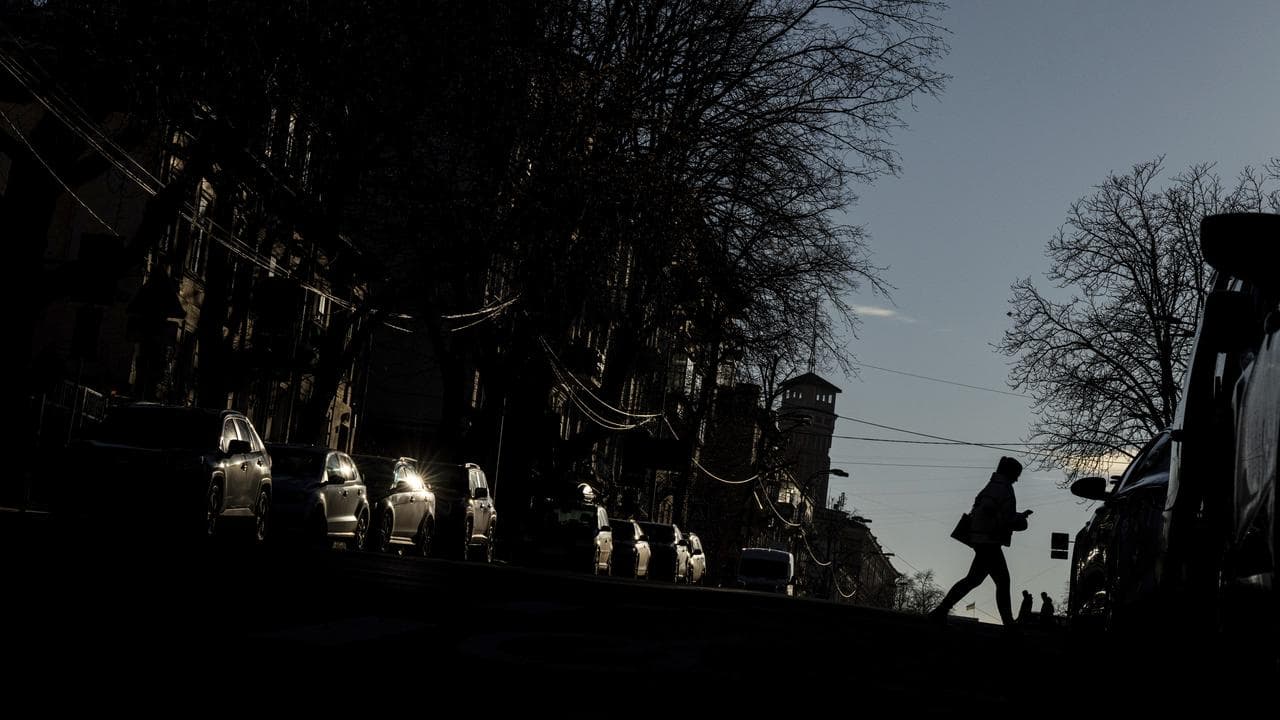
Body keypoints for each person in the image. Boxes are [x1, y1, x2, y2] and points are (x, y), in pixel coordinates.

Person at [929, 456, 1033, 626]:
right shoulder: (1001, 488)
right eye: (1016, 474)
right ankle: (1008, 623)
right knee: (1001, 581)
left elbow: (993, 511)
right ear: (1010, 472)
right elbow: (991, 512)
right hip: (989, 541)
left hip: (983, 540)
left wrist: (1016, 517)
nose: (1017, 479)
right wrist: (1016, 521)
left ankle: (941, 610)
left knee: (974, 579)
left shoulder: (995, 486)